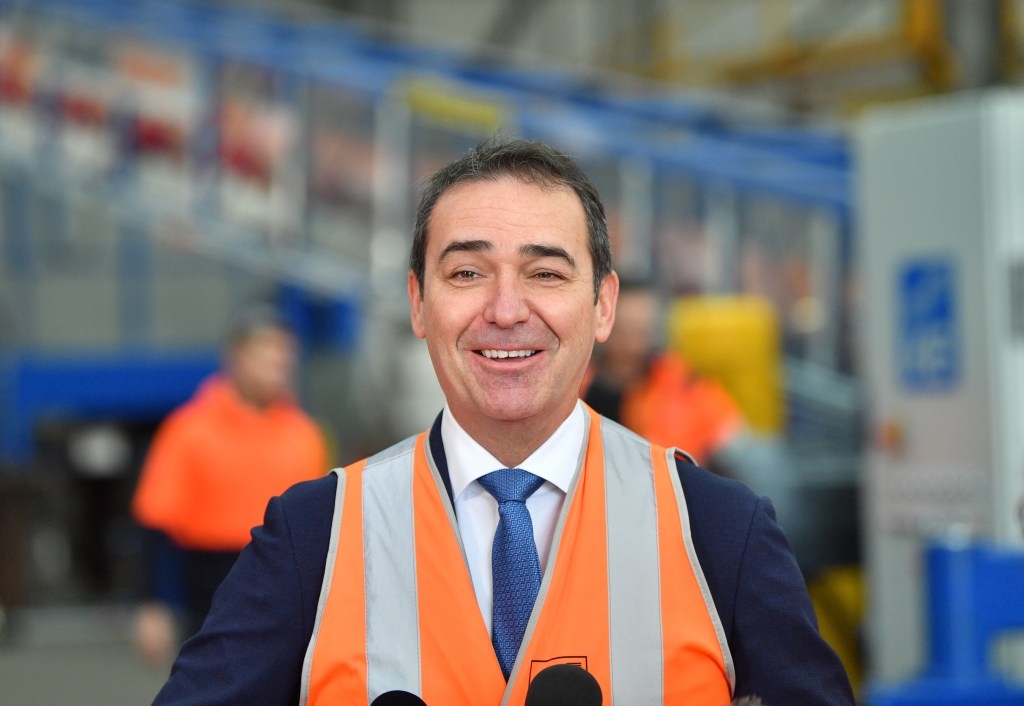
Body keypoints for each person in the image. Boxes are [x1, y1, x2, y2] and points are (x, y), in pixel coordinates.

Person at [151, 138, 853, 705]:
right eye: (466, 275)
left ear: (603, 306)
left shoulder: (721, 534)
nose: (507, 309)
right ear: (419, 305)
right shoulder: (313, 540)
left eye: (546, 274)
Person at [131, 304, 328, 664]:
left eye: (285, 354)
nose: (278, 364)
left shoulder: (305, 436)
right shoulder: (188, 431)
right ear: (236, 356)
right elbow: (155, 523)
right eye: (266, 351)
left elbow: (323, 529)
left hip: (288, 591)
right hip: (210, 591)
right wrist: (152, 605)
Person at [583, 280, 745, 469]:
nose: (632, 347)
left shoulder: (682, 383)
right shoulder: (576, 386)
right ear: (601, 325)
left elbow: (732, 433)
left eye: (642, 333)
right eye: (622, 332)